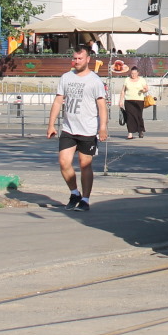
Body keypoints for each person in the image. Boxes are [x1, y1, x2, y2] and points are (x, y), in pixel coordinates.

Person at [46, 44, 108, 211]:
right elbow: (58, 101)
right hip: (68, 128)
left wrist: (102, 127)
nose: (77, 61)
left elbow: (102, 106)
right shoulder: (66, 77)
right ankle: (74, 193)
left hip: (87, 129)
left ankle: (86, 199)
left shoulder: (95, 81)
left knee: (84, 164)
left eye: (80, 58)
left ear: (88, 59)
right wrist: (51, 124)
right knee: (63, 162)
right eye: (74, 58)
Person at [121, 66, 149, 139]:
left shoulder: (142, 80)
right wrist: (121, 100)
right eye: (132, 73)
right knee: (129, 117)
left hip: (139, 100)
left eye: (135, 73)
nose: (133, 75)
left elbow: (146, 89)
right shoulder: (127, 80)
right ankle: (130, 133)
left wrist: (144, 90)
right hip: (128, 100)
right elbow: (123, 91)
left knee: (138, 116)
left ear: (137, 73)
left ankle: (140, 131)